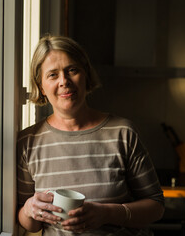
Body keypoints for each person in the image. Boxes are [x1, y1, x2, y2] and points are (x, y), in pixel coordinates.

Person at [17, 35, 165, 236]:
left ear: (85, 74)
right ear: (41, 87)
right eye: (53, 75)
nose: (64, 81)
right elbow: (30, 224)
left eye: (72, 70)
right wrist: (28, 209)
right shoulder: (27, 142)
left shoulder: (123, 133)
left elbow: (156, 206)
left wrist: (107, 213)